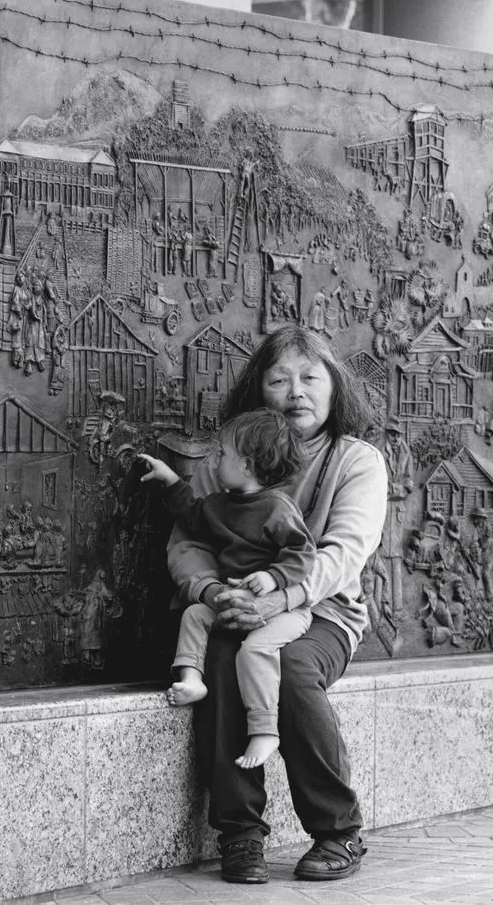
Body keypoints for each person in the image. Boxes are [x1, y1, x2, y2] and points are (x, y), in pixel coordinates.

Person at [167, 326, 387, 885]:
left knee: (288, 667)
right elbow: (188, 544)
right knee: (219, 664)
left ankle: (338, 831)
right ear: (257, 389)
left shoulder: (356, 461)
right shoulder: (226, 457)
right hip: (233, 604)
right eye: (279, 379)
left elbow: (344, 553)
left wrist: (283, 597)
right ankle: (240, 836)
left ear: (334, 388)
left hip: (325, 612)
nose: (296, 392)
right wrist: (214, 592)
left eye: (311, 378)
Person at [138, 408, 316, 770]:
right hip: (232, 603)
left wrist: (273, 579)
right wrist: (171, 479)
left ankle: (265, 731)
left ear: (248, 466)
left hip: (284, 612)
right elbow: (192, 515)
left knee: (254, 652)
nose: (214, 460)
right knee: (194, 614)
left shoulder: (277, 509)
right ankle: (191, 679)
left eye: (222, 454)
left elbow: (304, 554)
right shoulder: (221, 505)